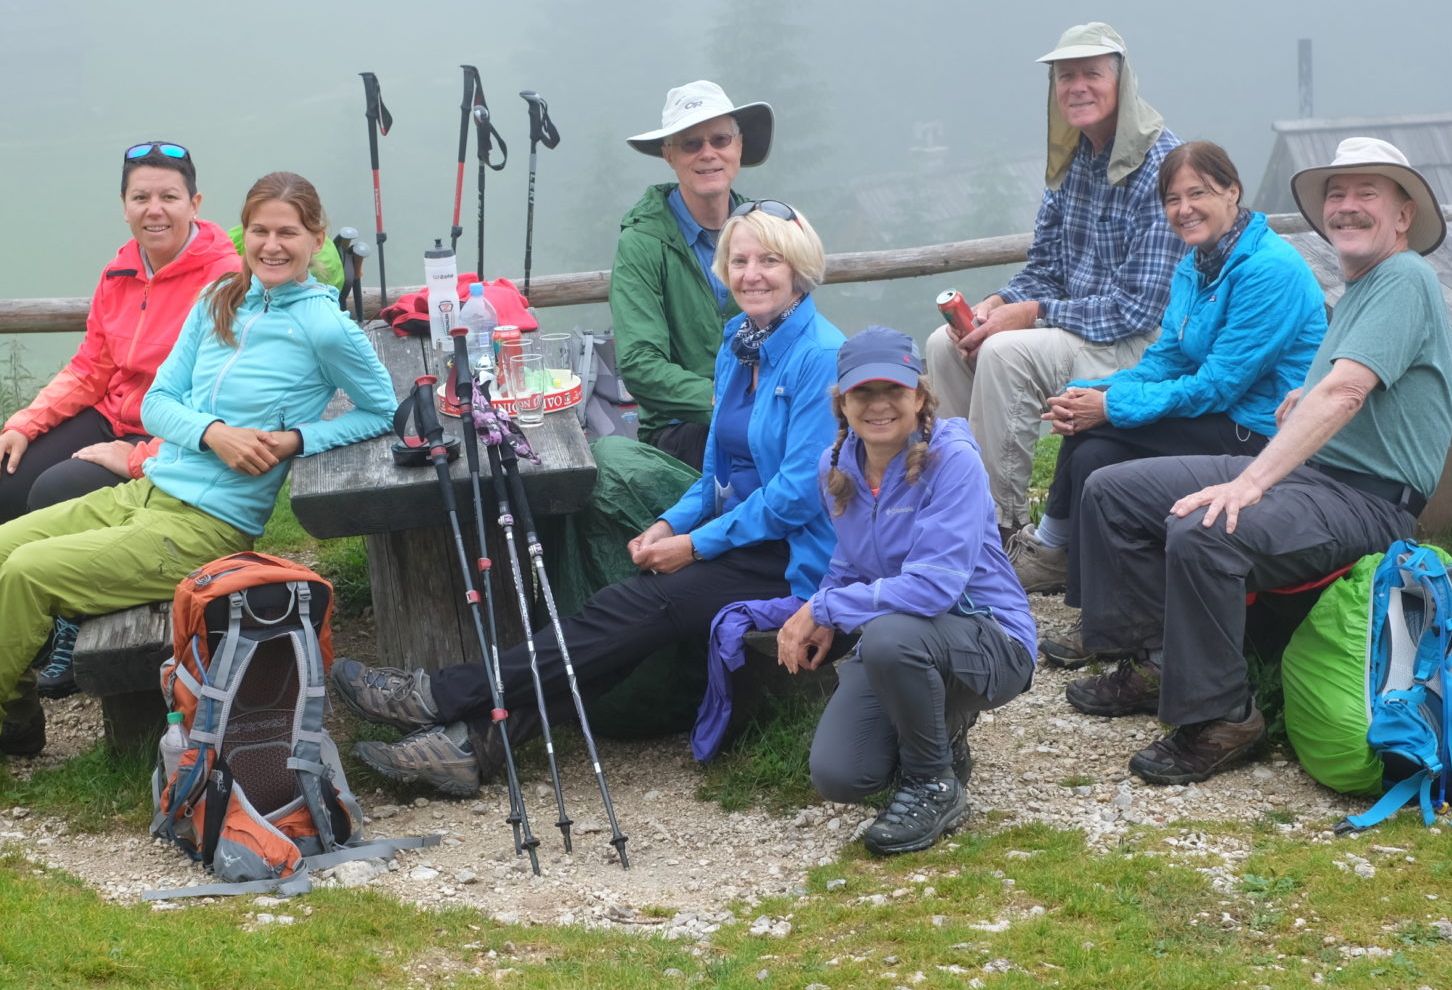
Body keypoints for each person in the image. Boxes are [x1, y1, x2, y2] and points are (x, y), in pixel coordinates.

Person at [0, 173, 396, 804]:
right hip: (147, 491)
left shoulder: (325, 328)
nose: (273, 246)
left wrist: (295, 440)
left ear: (315, 238)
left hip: (208, 526)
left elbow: (380, 409)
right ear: (241, 234)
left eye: (288, 233)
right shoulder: (220, 298)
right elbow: (159, 404)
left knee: (29, 571)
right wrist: (215, 433)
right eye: (261, 231)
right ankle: (12, 719)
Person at [335, 201, 844, 797]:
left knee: (630, 609)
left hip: (792, 557)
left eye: (770, 260)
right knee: (624, 625)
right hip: (741, 536)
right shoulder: (742, 340)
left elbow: (796, 495)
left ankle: (440, 694)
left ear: (800, 268)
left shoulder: (819, 356)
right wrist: (666, 521)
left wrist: (694, 546)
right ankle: (469, 746)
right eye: (740, 260)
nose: (752, 273)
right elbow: (717, 471)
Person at [1063, 138, 1452, 785]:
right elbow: (1336, 381)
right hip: (1318, 479)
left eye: (1367, 195)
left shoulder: (1404, 278)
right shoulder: (1363, 284)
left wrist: (1250, 480)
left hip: (1369, 502)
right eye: (1337, 194)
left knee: (1205, 528)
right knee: (1110, 489)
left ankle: (1224, 716)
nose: (1346, 207)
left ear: (1403, 215)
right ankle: (1159, 662)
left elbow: (1347, 391)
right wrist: (1302, 399)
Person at [1021, 141, 1327, 644]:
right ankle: (1100, 610)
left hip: (1258, 431)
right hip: (1222, 414)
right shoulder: (1199, 262)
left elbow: (1219, 385)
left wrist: (1111, 406)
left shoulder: (1268, 270)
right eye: (1172, 199)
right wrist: (1095, 391)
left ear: (1232, 191)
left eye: (1198, 193)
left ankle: (1056, 555)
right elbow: (1170, 357)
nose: (1184, 210)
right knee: (1095, 443)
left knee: (1102, 435)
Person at [0, 140, 241, 694]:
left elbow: (224, 398)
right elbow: (91, 366)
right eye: (141, 197)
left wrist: (139, 456)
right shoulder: (120, 271)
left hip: (171, 431)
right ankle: (34, 624)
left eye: (169, 196)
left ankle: (74, 624)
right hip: (111, 412)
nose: (154, 209)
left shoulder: (224, 279)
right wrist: (22, 425)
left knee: (57, 489)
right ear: (124, 205)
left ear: (196, 202)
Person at [923, 23, 1187, 545]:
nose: (1077, 86)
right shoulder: (1072, 162)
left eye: (1092, 73)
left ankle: (999, 527)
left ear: (1123, 84)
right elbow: (1045, 266)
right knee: (945, 344)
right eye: (1066, 76)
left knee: (1004, 354)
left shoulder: (1162, 165)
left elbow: (1137, 309)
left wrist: (1034, 314)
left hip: (1141, 347)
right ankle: (953, 502)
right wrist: (1002, 301)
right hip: (1076, 332)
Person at [778, 328, 1036, 855]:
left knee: (890, 637)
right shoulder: (835, 466)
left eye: (893, 390)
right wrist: (826, 611)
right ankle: (942, 730)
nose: (879, 405)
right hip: (907, 642)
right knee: (841, 776)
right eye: (862, 393)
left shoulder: (953, 459)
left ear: (920, 396)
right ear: (842, 403)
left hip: (991, 641)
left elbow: (934, 589)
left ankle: (933, 783)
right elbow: (849, 559)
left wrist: (820, 607)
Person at [610, 81, 775, 470]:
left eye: (720, 139)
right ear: (669, 155)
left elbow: (799, 328)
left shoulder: (767, 229)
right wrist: (726, 400)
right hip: (683, 428)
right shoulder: (643, 243)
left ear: (739, 146)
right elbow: (640, 364)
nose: (708, 154)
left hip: (769, 410)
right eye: (690, 144)